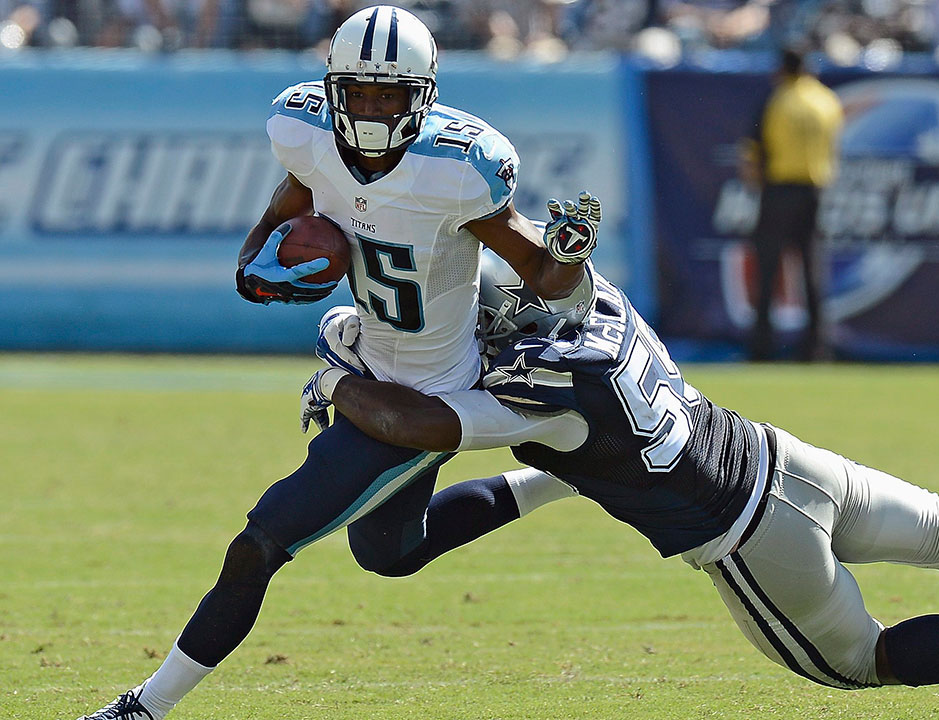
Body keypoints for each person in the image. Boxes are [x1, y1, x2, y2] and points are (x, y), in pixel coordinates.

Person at [296, 239, 939, 690]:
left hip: (751, 536)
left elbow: (419, 424)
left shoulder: (525, 391)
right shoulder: (603, 303)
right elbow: (553, 275)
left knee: (863, 666)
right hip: (778, 455)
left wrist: (341, 367)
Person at [76, 6, 600, 719]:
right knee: (389, 552)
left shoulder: (456, 171)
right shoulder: (308, 138)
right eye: (360, 94)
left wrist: (567, 256)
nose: (374, 111)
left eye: (390, 96)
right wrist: (260, 272)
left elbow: (546, 279)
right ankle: (556, 480)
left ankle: (145, 706)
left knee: (259, 543)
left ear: (423, 97)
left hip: (423, 395)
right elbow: (267, 234)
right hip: (363, 351)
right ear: (333, 89)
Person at [740, 47, 843, 361]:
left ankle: (762, 347)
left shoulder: (778, 100)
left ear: (783, 69)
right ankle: (816, 347)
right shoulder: (827, 100)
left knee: (768, 267)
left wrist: (755, 182)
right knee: (811, 269)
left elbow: (754, 150)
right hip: (814, 190)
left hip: (779, 190)